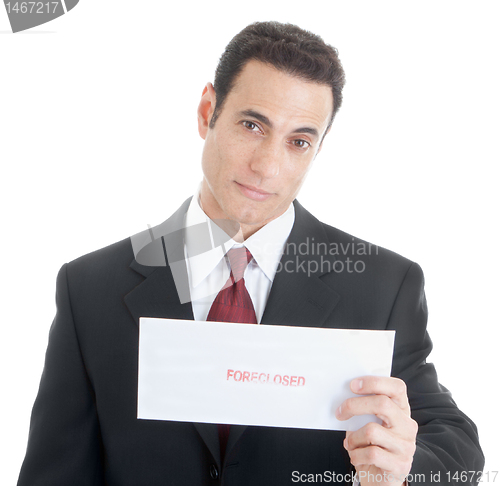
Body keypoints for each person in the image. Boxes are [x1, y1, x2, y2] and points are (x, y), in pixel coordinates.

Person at [17, 21, 483, 486]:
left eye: (298, 141)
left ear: (317, 150)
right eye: (252, 125)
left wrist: (406, 467)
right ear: (207, 112)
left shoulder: (383, 286)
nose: (267, 166)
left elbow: (457, 446)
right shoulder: (90, 289)